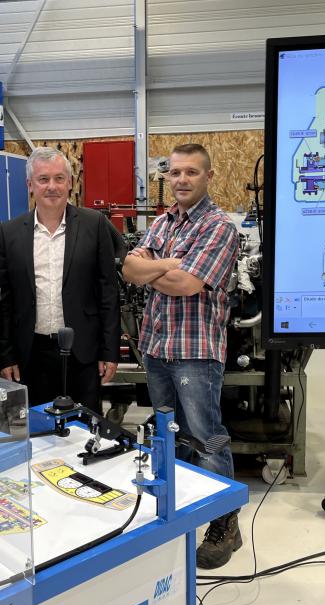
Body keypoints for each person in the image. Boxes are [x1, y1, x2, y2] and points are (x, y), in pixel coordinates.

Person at [122, 143, 241, 569]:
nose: (182, 180)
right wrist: (168, 265)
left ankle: (225, 524)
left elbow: (188, 285)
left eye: (191, 172)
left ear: (207, 177)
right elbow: (129, 270)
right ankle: (184, 512)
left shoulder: (219, 227)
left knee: (206, 437)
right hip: (156, 348)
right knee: (171, 438)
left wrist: (157, 269)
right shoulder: (163, 222)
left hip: (195, 351)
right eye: (175, 173)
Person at [0, 147, 120, 412]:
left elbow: (107, 292)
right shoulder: (11, 233)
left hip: (83, 352)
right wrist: (5, 355)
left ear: (70, 182)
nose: (52, 186)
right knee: (39, 432)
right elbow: (5, 301)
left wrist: (110, 351)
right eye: (43, 179)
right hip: (31, 353)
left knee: (86, 429)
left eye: (59, 178)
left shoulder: (94, 224)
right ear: (30, 184)